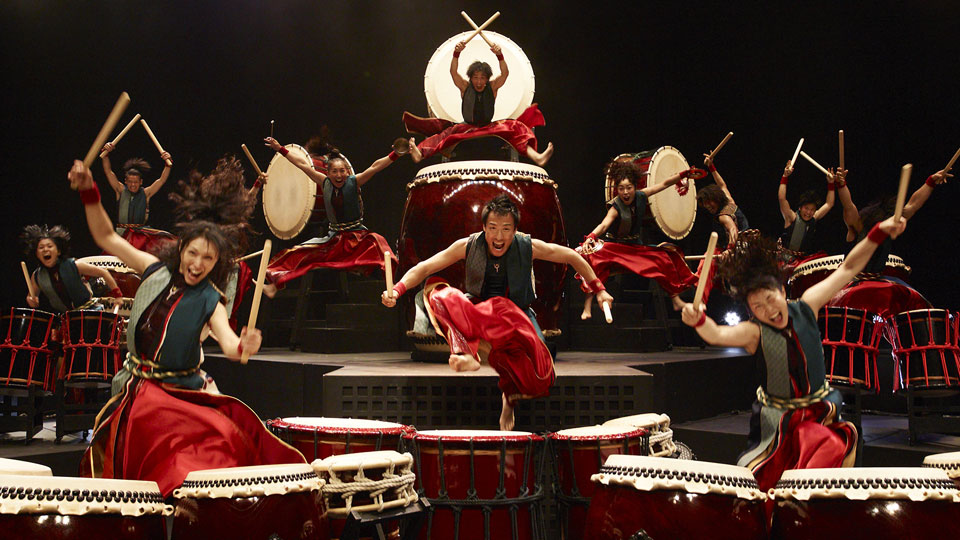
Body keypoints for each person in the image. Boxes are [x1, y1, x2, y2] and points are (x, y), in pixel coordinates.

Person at [70, 157, 303, 497]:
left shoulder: (211, 299)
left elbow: (230, 345)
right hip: (136, 387)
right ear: (181, 248)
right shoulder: (153, 269)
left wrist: (246, 346)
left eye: (208, 258)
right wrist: (89, 191)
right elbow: (106, 235)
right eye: (193, 253)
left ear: (217, 262)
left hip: (181, 394)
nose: (198, 264)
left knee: (200, 462)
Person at [680, 215, 908, 492]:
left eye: (770, 299)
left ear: (781, 289)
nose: (768, 310)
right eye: (757, 307)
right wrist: (698, 321)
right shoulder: (754, 333)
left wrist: (878, 232)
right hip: (778, 425)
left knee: (824, 446)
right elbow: (717, 334)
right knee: (763, 486)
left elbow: (849, 267)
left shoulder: (808, 305)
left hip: (819, 415)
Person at [382, 195, 614, 431]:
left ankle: (509, 397)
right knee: (438, 294)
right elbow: (425, 267)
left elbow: (572, 256)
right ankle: (466, 353)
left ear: (515, 230)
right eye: (493, 228)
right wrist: (397, 290)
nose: (499, 237)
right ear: (483, 227)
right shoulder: (468, 245)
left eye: (506, 229)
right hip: (478, 311)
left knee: (542, 374)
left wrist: (599, 289)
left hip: (517, 315)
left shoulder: (528, 246)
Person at [261, 136, 405, 289]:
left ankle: (396, 288)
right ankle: (273, 285)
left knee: (381, 247)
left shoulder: (354, 181)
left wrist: (395, 154)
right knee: (297, 253)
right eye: (334, 171)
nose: (339, 175)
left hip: (357, 238)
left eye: (342, 171)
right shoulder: (324, 182)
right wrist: (280, 148)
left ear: (347, 172)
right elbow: (302, 164)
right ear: (328, 173)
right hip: (334, 240)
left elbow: (375, 167)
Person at [579, 160, 700, 317]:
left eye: (629, 187)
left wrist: (683, 174)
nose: (625, 192)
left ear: (635, 187)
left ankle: (675, 299)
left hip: (635, 246)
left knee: (664, 256)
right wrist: (591, 236)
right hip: (616, 247)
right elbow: (604, 225)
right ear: (617, 190)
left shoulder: (642, 196)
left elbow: (664, 183)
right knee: (594, 257)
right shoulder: (616, 207)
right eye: (621, 188)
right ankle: (587, 305)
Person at [403, 41, 554, 166]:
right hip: (466, 126)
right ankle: (419, 154)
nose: (479, 82)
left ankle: (537, 157)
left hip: (489, 126)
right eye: (476, 78)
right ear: (471, 78)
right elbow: (453, 72)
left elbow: (505, 73)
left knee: (516, 128)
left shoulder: (493, 86)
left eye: (482, 78)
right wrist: (456, 53)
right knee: (443, 136)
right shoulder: (464, 86)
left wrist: (499, 55)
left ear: (487, 79)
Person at [829, 167, 950, 317]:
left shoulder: (890, 225)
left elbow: (914, 204)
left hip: (878, 278)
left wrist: (930, 182)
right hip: (854, 279)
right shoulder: (859, 225)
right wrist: (841, 184)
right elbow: (848, 205)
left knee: (914, 299)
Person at [21, 224, 121, 313]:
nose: (45, 249)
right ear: (36, 254)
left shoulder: (74, 265)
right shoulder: (37, 276)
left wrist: (117, 295)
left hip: (90, 312)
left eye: (49, 246)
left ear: (58, 251)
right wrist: (31, 300)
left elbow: (103, 272)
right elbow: (32, 296)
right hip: (66, 318)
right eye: (41, 247)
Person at [100, 142, 172, 232]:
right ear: (125, 181)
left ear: (141, 182)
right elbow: (108, 171)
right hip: (122, 233)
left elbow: (162, 180)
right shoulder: (120, 190)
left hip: (140, 234)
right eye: (130, 182)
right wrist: (105, 154)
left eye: (135, 182)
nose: (133, 185)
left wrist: (168, 164)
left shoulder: (146, 193)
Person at [778, 160, 836, 254]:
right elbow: (782, 199)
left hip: (802, 259)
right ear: (800, 208)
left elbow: (829, 204)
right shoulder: (791, 217)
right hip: (785, 257)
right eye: (806, 208)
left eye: (812, 210)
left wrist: (831, 183)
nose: (809, 212)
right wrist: (785, 176)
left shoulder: (815, 217)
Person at [698, 155, 749, 249]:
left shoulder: (723, 216)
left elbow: (733, 229)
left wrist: (730, 248)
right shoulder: (729, 201)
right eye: (705, 205)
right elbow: (722, 185)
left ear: (716, 198)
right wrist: (711, 166)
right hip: (746, 245)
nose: (708, 206)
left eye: (709, 203)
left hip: (738, 249)